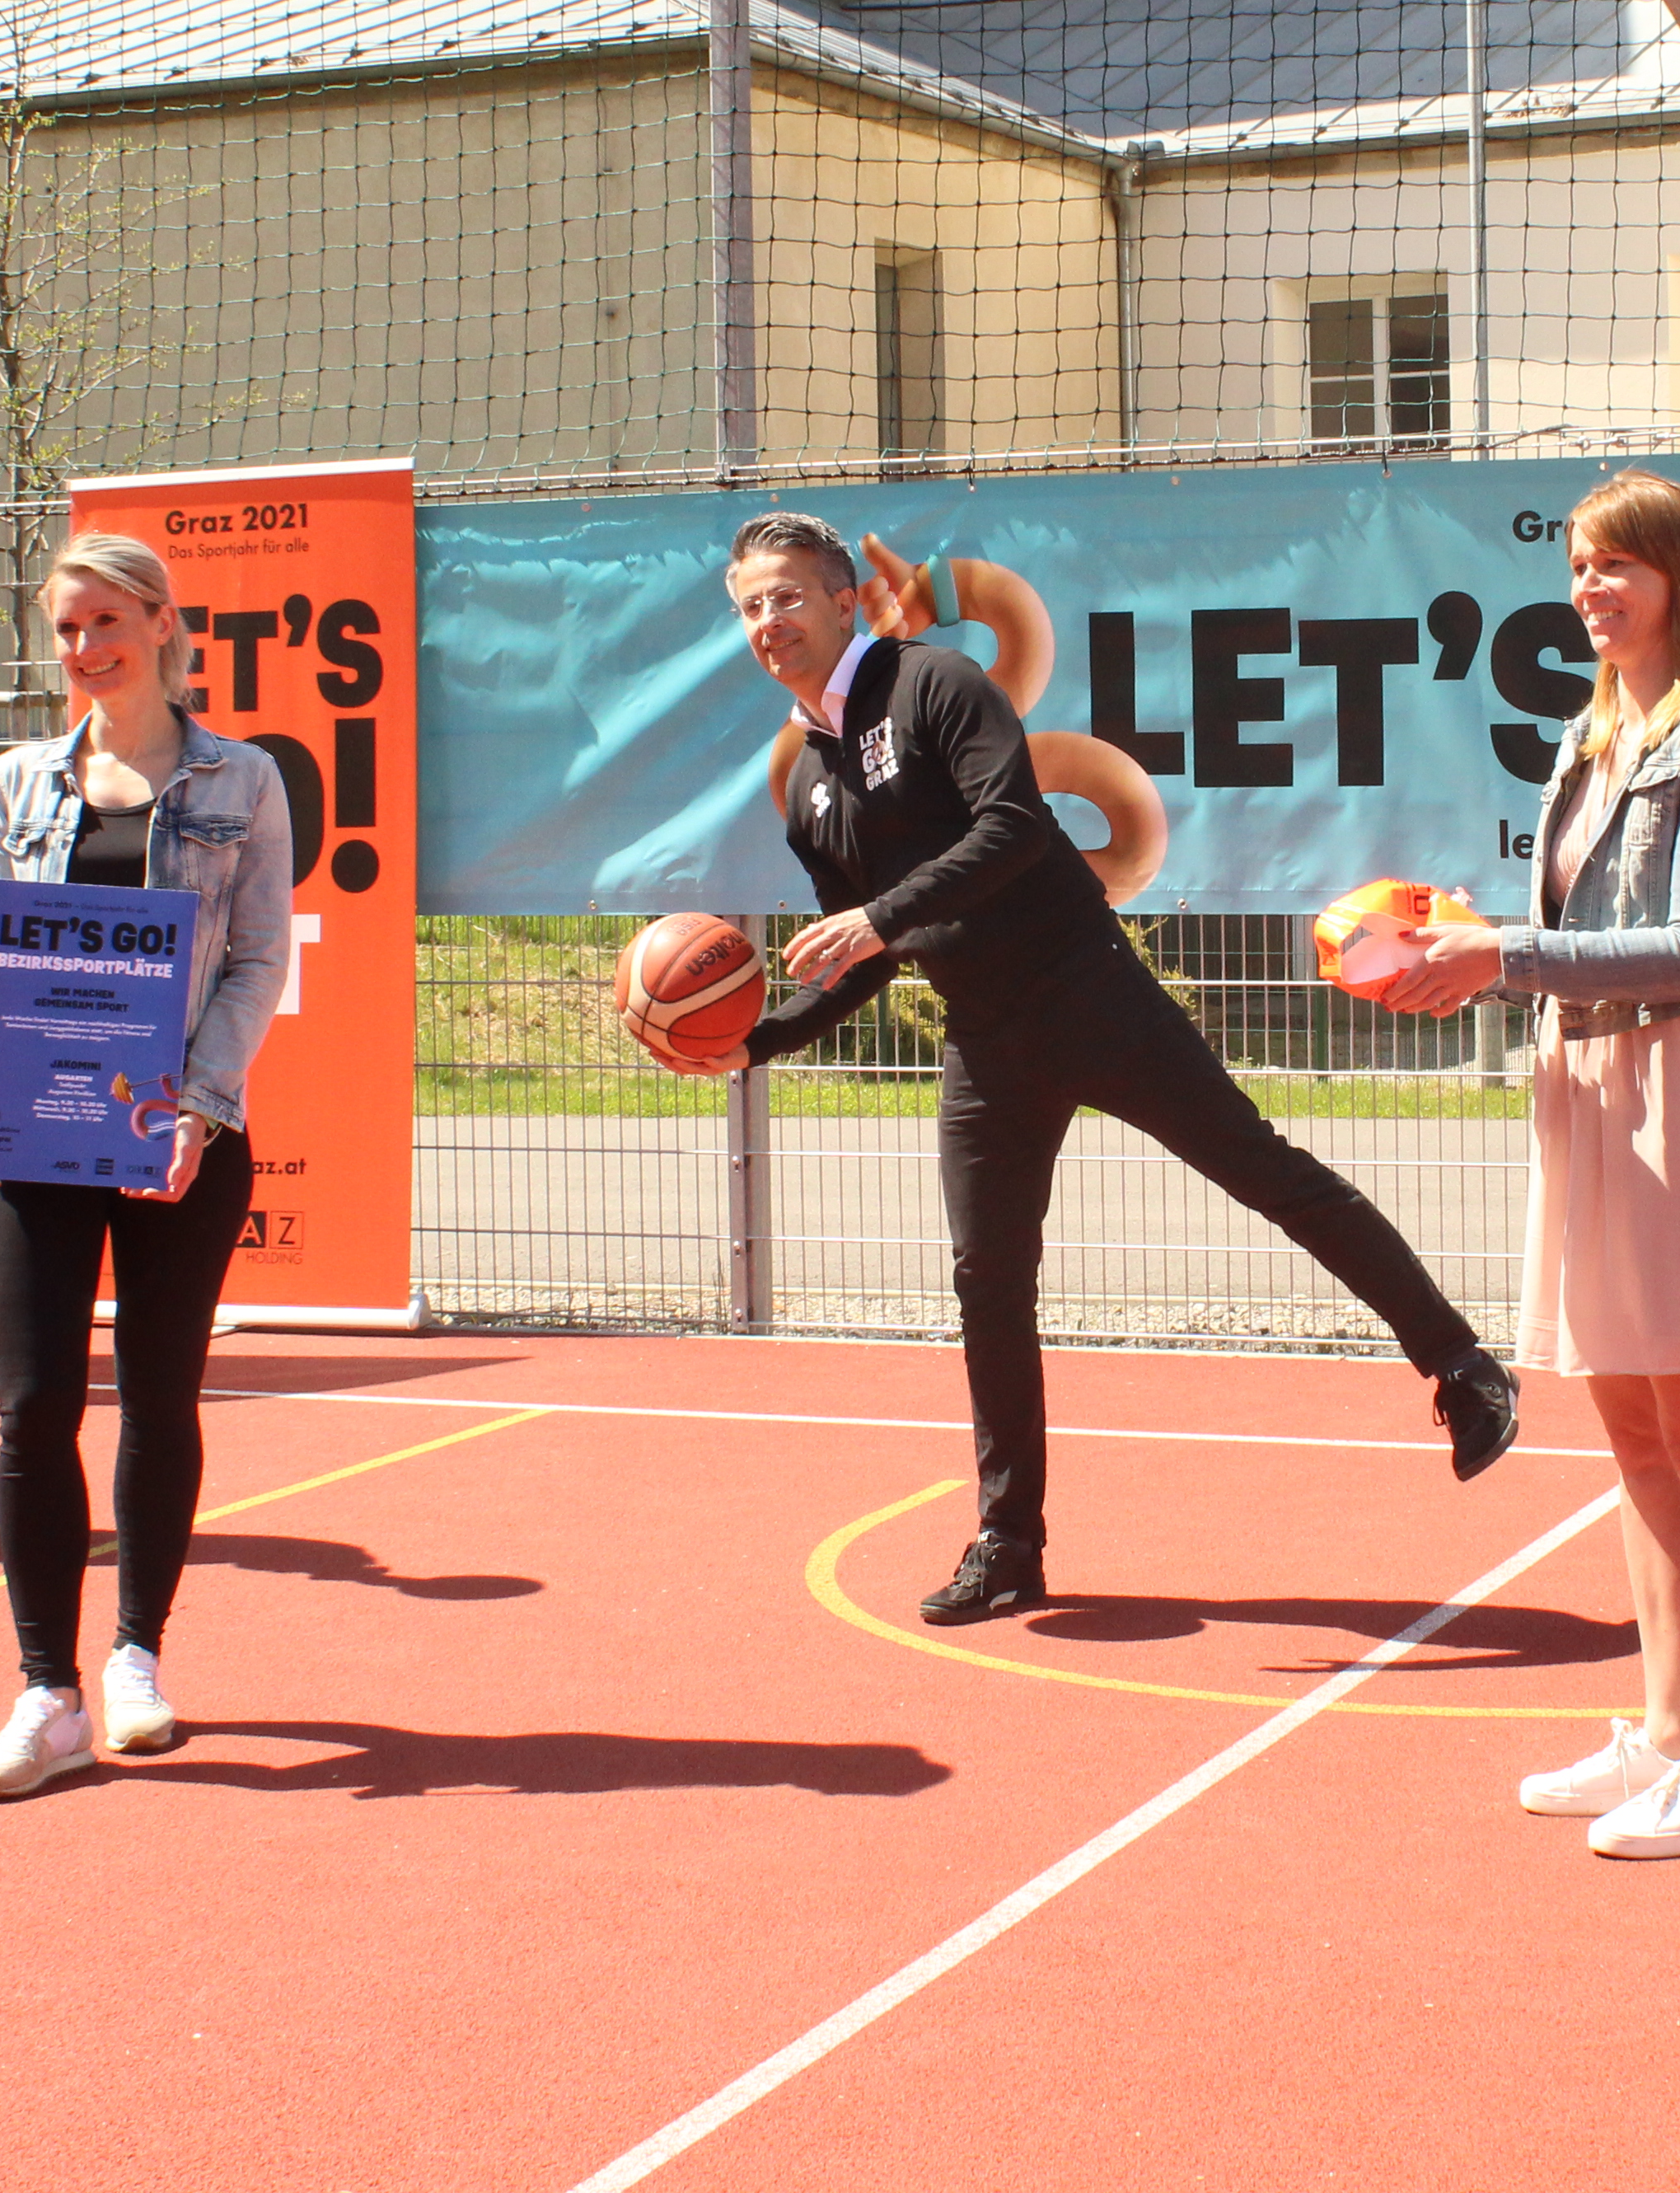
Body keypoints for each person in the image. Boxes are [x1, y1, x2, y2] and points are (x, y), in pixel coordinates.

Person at [644, 511, 1519, 1628]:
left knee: (1265, 1172)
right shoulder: (810, 781)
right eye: (750, 608)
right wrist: (750, 1042)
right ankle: (1009, 1544)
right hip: (984, 1040)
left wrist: (879, 917)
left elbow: (1011, 829)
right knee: (987, 1282)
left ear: (843, 601)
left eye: (787, 598)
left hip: (1085, 989)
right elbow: (865, 954)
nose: (769, 623)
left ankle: (1461, 1368)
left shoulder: (937, 685)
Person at [1378, 472, 1680, 1860]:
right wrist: (1468, 950)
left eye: (1615, 565)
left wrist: (1497, 953)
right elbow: (1573, 931)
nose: (1589, 590)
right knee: (1632, 1434)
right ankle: (1665, 1733)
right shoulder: (1588, 735)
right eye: (1574, 568)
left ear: (1677, 575)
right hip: (1587, 1079)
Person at [0, 532, 293, 1799]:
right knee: (34, 1406)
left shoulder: (242, 779)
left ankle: (137, 1658)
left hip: (179, 1138)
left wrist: (200, 1105)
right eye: (65, 628)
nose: (84, 647)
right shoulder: (20, 780)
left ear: (159, 624)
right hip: (37, 1132)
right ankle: (48, 1695)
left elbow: (259, 960)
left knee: (159, 1396)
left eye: (105, 622)